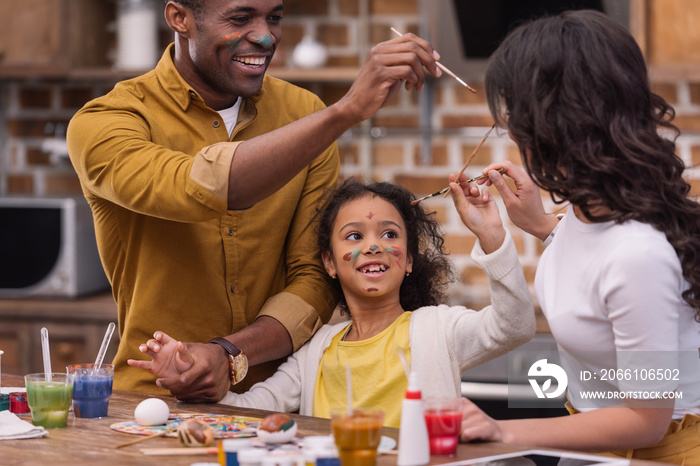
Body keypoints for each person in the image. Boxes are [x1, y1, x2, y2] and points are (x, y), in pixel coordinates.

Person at [67, 0, 447, 402]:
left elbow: (315, 275)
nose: (265, 36)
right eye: (240, 18)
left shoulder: (303, 114)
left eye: (275, 18)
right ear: (180, 18)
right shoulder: (106, 122)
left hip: (280, 401)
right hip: (153, 403)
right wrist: (346, 111)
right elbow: (201, 188)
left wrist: (230, 353)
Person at [456, 9, 700, 463]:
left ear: (559, 122)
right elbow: (596, 272)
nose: (511, 131)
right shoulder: (587, 215)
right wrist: (544, 226)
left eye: (518, 114)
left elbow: (647, 418)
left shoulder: (638, 254)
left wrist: (501, 431)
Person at [130, 177, 536, 427]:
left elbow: (514, 326)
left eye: (391, 235)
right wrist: (190, 377)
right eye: (355, 236)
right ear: (329, 262)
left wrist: (493, 236)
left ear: (409, 260)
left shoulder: (437, 328)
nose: (374, 245)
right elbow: (253, 409)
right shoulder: (316, 350)